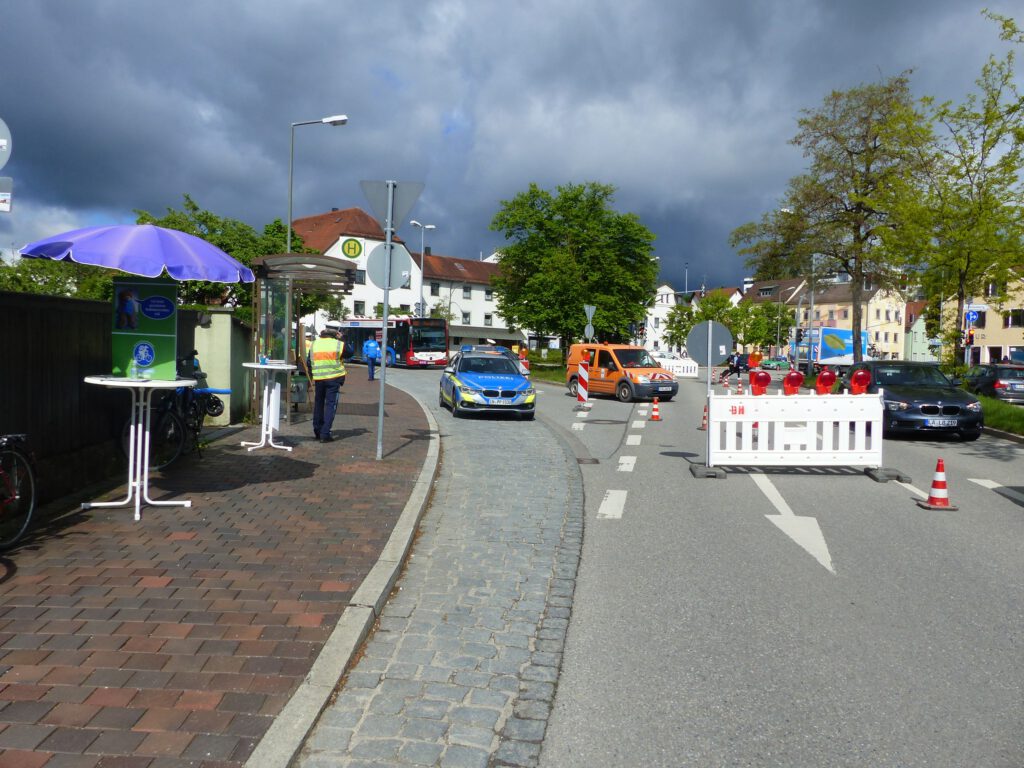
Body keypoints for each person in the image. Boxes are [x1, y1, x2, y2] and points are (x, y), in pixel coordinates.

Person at [308, 326, 346, 443]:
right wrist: (342, 339)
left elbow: (309, 362)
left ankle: (317, 431)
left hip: (319, 378)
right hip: (334, 379)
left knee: (318, 404)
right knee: (330, 405)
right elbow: (349, 352)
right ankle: (325, 434)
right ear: (335, 335)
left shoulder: (314, 344)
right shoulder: (338, 344)